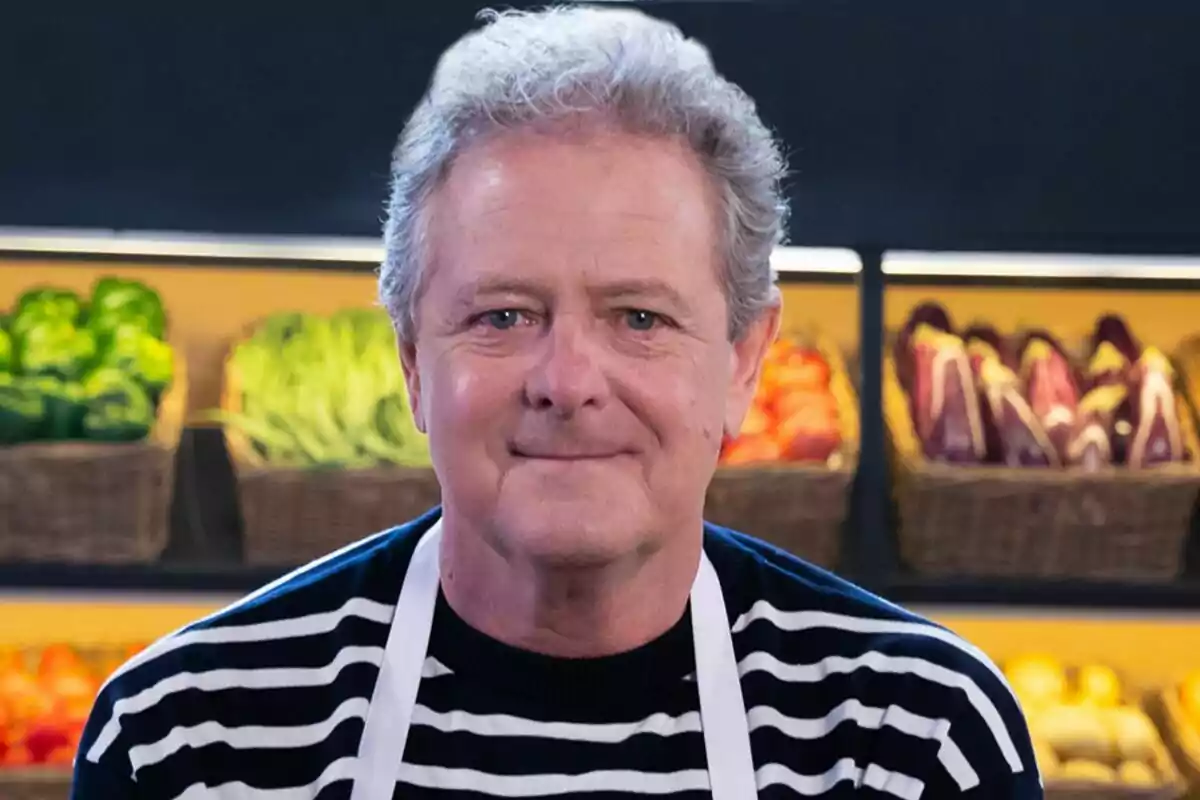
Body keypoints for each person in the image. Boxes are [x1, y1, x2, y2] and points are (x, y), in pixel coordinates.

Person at [73, 6, 1040, 799]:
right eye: (502, 315)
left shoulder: (915, 739)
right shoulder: (190, 742)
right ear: (412, 360)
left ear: (744, 360)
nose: (567, 381)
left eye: (640, 319)